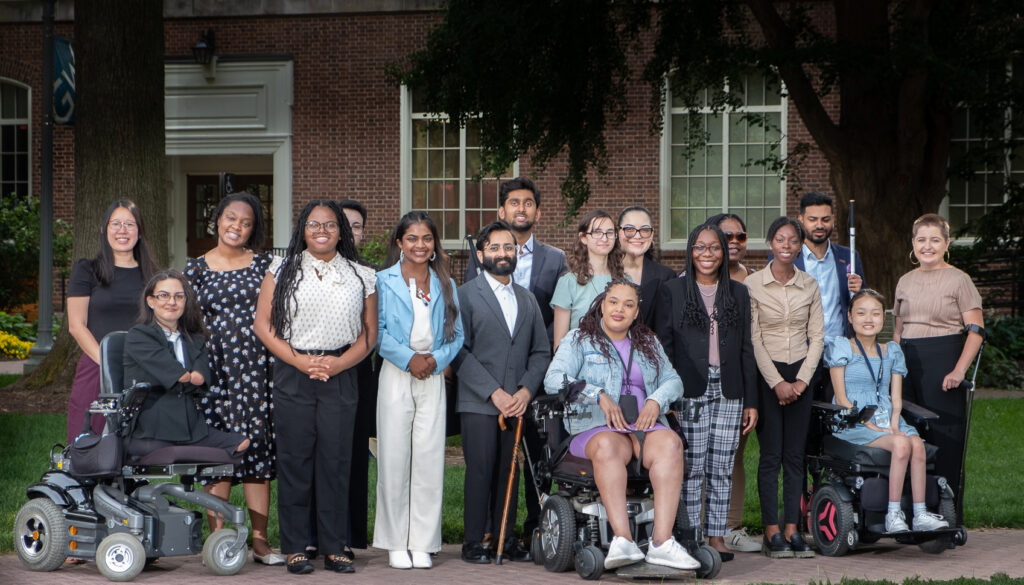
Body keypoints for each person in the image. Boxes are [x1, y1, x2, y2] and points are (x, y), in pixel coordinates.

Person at [254, 200, 377, 575]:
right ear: (302, 230)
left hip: (341, 372)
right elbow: (263, 325)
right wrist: (298, 360)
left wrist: (339, 363)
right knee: (295, 460)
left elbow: (369, 334)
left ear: (341, 229)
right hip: (294, 371)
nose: (321, 230)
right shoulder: (282, 268)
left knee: (336, 462)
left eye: (329, 224)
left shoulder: (361, 275)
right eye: (313, 224)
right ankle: (294, 546)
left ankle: (334, 546)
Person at [544, 280, 700, 570]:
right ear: (602, 304)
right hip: (595, 428)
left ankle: (662, 543)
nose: (620, 309)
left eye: (629, 304)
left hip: (643, 426)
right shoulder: (579, 339)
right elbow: (553, 379)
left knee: (671, 443)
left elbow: (673, 380)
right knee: (607, 446)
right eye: (614, 302)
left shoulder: (648, 343)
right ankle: (623, 540)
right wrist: (597, 394)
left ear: (636, 311)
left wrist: (655, 401)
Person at [464, 176, 567, 542]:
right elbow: (465, 336)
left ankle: (526, 531)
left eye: (528, 203)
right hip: (487, 386)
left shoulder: (550, 267)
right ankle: (484, 535)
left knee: (528, 462)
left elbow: (552, 327)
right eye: (513, 202)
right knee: (487, 465)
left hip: (531, 381)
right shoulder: (474, 277)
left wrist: (529, 384)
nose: (520, 209)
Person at [184, 193, 282, 565]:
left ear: (253, 230)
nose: (236, 227)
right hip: (213, 375)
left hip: (257, 373)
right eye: (230, 218)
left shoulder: (265, 267)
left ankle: (260, 541)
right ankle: (221, 543)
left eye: (246, 222)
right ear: (217, 220)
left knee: (256, 453)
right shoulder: (195, 270)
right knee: (218, 457)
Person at [654, 224, 757, 561]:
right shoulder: (673, 290)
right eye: (701, 247)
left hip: (730, 388)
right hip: (689, 387)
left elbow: (746, 349)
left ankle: (716, 536)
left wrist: (751, 400)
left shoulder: (739, 293)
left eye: (715, 247)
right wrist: (668, 397)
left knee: (722, 465)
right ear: (690, 250)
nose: (708, 254)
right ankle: (690, 533)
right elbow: (664, 346)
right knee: (693, 464)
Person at [455, 221, 550, 564]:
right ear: (481, 254)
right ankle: (474, 542)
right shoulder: (464, 295)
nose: (502, 254)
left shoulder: (527, 299)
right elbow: (459, 351)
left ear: (516, 253)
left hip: (517, 403)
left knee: (507, 469)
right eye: (494, 248)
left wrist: (525, 391)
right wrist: (494, 393)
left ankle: (505, 538)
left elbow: (540, 351)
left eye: (508, 248)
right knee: (481, 469)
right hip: (480, 401)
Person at [374, 211, 464, 570]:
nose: (420, 245)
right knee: (394, 458)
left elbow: (458, 335)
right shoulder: (383, 281)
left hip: (432, 376)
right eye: (412, 238)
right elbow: (376, 330)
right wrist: (408, 358)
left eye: (427, 238)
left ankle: (423, 542)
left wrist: (436, 360)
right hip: (397, 373)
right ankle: (396, 541)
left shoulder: (446, 282)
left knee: (428, 458)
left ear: (434, 244)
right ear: (399, 242)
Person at [826, 289, 950, 533]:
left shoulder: (891, 351)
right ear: (850, 317)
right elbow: (841, 398)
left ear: (884, 318)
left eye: (875, 314)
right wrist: (867, 423)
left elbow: (895, 397)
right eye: (861, 313)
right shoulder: (842, 347)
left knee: (915, 443)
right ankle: (893, 514)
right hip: (852, 420)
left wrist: (895, 423)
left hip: (885, 415)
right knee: (902, 445)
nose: (868, 319)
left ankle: (920, 513)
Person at [893, 213, 984, 521]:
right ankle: (912, 512)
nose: (927, 246)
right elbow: (897, 330)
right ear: (913, 244)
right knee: (909, 435)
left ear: (946, 244)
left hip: (944, 360)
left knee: (943, 435)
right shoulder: (905, 281)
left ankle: (945, 514)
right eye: (921, 240)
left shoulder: (960, 280)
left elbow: (976, 330)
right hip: (906, 363)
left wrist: (959, 371)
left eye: (934, 240)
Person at [747, 216, 824, 558]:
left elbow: (818, 336)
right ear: (771, 243)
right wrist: (777, 382)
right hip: (769, 375)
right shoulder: (752, 285)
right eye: (781, 239)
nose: (787, 246)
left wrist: (803, 380)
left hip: (802, 372)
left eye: (793, 241)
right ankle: (771, 531)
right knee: (771, 456)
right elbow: (754, 338)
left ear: (799, 245)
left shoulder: (809, 284)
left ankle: (793, 528)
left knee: (795, 457)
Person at [123, 269, 250, 461]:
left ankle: (197, 471)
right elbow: (179, 375)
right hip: (151, 428)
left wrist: (188, 377)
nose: (172, 302)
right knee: (186, 453)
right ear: (151, 301)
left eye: (179, 296)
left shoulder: (195, 339)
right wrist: (187, 376)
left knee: (241, 442)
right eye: (163, 295)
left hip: (192, 427)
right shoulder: (139, 336)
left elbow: (200, 378)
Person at [67, 200, 156, 445]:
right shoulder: (87, 270)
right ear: (105, 229)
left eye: (130, 224)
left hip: (140, 371)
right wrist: (110, 365)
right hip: (96, 369)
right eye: (115, 223)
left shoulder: (153, 277)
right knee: (88, 447)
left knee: (136, 453)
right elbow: (76, 325)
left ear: (140, 231)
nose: (122, 230)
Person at [706, 212, 760, 554]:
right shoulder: (688, 280)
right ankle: (699, 528)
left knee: (731, 458)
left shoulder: (754, 282)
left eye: (741, 236)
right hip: (699, 385)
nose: (735, 242)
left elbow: (749, 344)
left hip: (738, 382)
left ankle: (732, 526)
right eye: (727, 236)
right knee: (696, 456)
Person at [794, 192, 865, 339]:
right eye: (812, 219)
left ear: (833, 220)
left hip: (841, 348)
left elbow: (862, 303)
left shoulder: (849, 256)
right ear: (800, 220)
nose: (819, 225)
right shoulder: (789, 259)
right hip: (801, 350)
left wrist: (860, 291)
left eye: (825, 219)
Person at [551, 209, 624, 350]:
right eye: (597, 232)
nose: (604, 238)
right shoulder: (568, 282)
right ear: (583, 238)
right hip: (580, 365)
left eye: (609, 233)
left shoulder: (624, 281)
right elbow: (559, 345)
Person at [617, 205, 676, 329]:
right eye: (629, 229)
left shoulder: (666, 277)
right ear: (618, 232)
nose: (637, 236)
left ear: (652, 234)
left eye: (644, 229)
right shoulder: (604, 273)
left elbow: (667, 331)